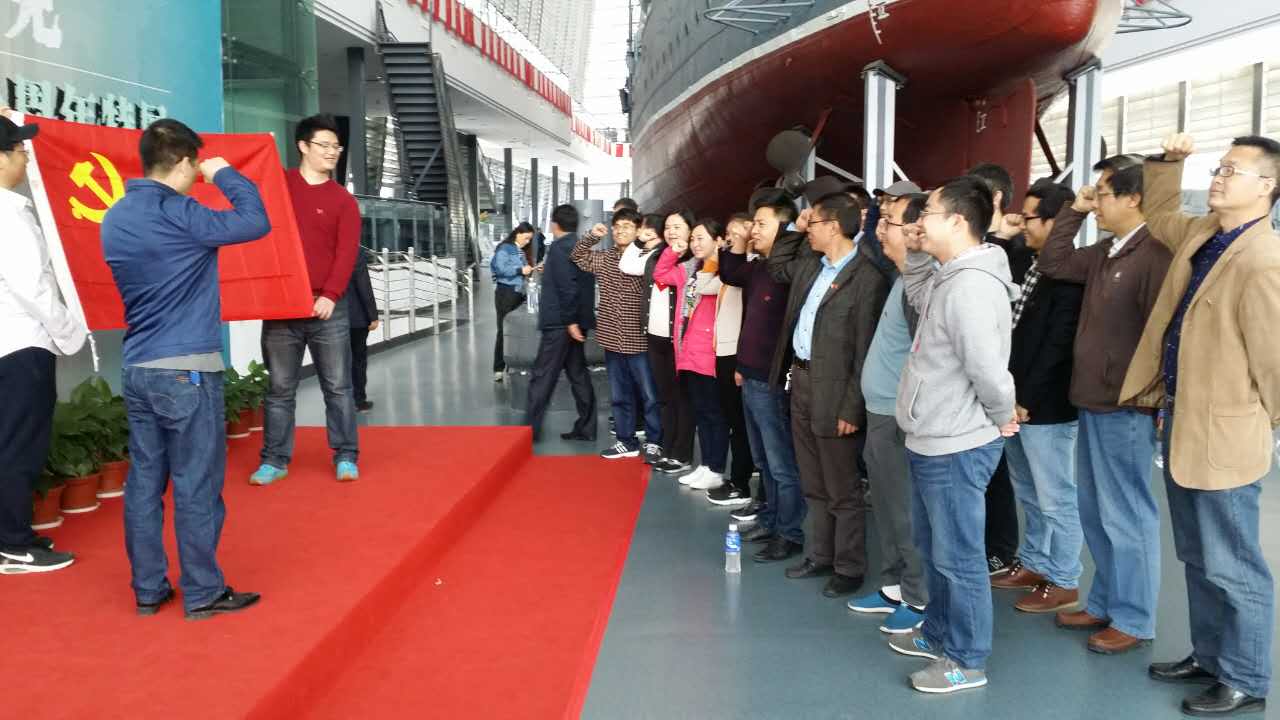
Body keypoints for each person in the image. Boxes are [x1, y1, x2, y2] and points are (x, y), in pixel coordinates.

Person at [1121, 133, 1280, 717]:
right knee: (1196, 555)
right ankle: (1211, 657)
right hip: (1184, 426)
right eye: (1218, 168)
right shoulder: (1206, 235)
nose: (1218, 177)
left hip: (1226, 439)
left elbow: (1276, 360)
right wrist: (1170, 164)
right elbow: (1161, 213)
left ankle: (1246, 677)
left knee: (1234, 565)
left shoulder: (1264, 259)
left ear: (1267, 186)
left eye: (1232, 171)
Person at [101, 118, 267, 619]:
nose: (198, 173)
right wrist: (226, 174)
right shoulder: (182, 213)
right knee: (196, 484)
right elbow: (255, 220)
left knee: (144, 484)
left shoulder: (116, 216)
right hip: (187, 369)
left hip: (139, 366)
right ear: (181, 161)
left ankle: (148, 589)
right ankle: (202, 591)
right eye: (196, 164)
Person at [1035, 157, 1172, 654]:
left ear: (1133, 198)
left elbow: (1161, 333)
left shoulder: (1154, 253)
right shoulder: (1104, 252)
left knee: (1127, 514)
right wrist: (1073, 210)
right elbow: (1052, 262)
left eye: (1103, 193)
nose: (1097, 202)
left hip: (1125, 405)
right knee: (1095, 510)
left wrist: (1150, 396)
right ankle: (1104, 601)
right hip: (1091, 397)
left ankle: (1134, 619)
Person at [889, 176, 1019, 694]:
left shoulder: (971, 286)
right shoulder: (949, 275)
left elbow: (987, 368)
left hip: (957, 443)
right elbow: (920, 299)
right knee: (934, 547)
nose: (919, 221)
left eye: (929, 213)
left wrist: (1002, 414)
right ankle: (939, 633)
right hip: (933, 435)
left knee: (958, 555)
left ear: (958, 221)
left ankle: (966, 659)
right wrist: (918, 255)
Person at [768, 192, 888, 599]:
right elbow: (777, 266)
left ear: (834, 226)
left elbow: (865, 350)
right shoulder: (810, 266)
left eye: (814, 222)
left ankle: (849, 566)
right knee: (812, 480)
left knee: (842, 486)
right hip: (801, 381)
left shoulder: (867, 278)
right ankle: (821, 554)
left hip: (837, 393)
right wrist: (794, 229)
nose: (809, 228)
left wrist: (853, 407)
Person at [989, 181, 1086, 617]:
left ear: (1054, 220)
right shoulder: (1028, 261)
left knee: (1055, 496)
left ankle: (1064, 579)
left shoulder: (1069, 275)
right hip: (1015, 399)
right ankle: (1034, 562)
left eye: (1030, 217)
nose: (1023, 223)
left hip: (1044, 405)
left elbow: (1057, 346)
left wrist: (1025, 397)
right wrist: (1006, 233)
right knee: (1028, 490)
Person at [252, 114, 361, 485]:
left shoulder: (343, 200)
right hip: (282, 306)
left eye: (336, 147)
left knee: (338, 387)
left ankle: (346, 455)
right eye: (324, 145)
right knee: (279, 388)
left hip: (327, 308)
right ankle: (274, 460)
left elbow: (346, 254)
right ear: (302, 146)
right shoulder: (279, 186)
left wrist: (330, 295)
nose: (332, 152)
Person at [0, 115, 85, 574]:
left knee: (8, 441)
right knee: (19, 446)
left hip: (9, 343)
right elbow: (31, 286)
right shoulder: (7, 214)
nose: (26, 157)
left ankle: (11, 533)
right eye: (18, 150)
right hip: (21, 345)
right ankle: (13, 545)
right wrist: (69, 331)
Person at [846, 192, 931, 634]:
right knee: (886, 507)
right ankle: (895, 584)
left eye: (889, 221)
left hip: (898, 416)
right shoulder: (900, 276)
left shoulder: (920, 285)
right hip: (879, 411)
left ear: (916, 230)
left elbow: (924, 356)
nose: (880, 228)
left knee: (904, 511)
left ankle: (919, 598)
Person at [722, 190, 805, 559]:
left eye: (760, 224)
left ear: (784, 228)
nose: (753, 229)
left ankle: (790, 532)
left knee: (781, 462)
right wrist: (739, 240)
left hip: (772, 380)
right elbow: (729, 271)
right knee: (764, 460)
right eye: (752, 223)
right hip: (750, 375)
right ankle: (770, 520)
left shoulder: (788, 271)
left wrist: (793, 233)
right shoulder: (759, 268)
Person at [967, 161, 1027, 579]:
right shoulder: (980, 246)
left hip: (1002, 377)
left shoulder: (1014, 251)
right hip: (977, 378)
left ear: (996, 199)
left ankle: (1001, 550)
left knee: (998, 472)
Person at [571, 207, 662, 461]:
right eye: (617, 226)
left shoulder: (648, 258)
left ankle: (655, 441)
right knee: (620, 395)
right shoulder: (605, 258)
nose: (620, 231)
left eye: (627, 226)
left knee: (650, 395)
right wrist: (592, 236)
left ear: (638, 230)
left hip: (640, 339)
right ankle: (626, 440)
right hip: (612, 338)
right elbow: (577, 256)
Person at [655, 219, 733, 492]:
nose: (695, 244)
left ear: (718, 240)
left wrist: (717, 262)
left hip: (710, 354)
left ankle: (716, 468)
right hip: (688, 351)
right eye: (693, 239)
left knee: (714, 414)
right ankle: (706, 465)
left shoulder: (726, 270)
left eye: (701, 238)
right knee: (701, 413)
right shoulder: (690, 269)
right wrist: (673, 251)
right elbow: (661, 274)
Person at [621, 210, 697, 472]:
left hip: (680, 340)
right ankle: (667, 446)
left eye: (678, 226)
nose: (671, 232)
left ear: (690, 229)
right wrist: (640, 240)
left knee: (682, 398)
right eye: (668, 227)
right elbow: (627, 265)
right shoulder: (658, 255)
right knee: (665, 396)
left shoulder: (694, 261)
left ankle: (682, 453)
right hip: (655, 335)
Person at [525, 204, 596, 442]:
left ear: (554, 224)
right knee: (577, 373)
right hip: (575, 322)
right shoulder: (581, 245)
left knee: (542, 375)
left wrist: (570, 321)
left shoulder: (558, 248)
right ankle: (587, 427)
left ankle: (528, 431)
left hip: (561, 323)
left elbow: (567, 288)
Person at [705, 213, 752, 507]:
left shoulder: (748, 269)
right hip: (723, 349)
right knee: (734, 419)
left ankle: (741, 482)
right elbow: (706, 285)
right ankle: (739, 477)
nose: (732, 238)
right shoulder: (730, 268)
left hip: (737, 352)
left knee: (739, 422)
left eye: (739, 232)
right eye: (729, 233)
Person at [490, 222, 535, 381]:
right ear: (518, 233)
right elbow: (499, 268)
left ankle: (512, 365)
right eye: (526, 238)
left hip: (518, 293)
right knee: (504, 330)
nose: (527, 242)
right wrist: (520, 270)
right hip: (506, 293)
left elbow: (522, 270)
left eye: (529, 239)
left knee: (515, 329)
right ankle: (498, 368)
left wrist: (530, 270)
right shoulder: (505, 248)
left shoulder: (519, 250)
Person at [346, 248, 379, 412]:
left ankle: (341, 403)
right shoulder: (354, 252)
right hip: (356, 318)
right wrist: (373, 315)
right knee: (358, 360)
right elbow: (363, 285)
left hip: (329, 318)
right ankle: (358, 401)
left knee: (336, 362)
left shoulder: (323, 250)